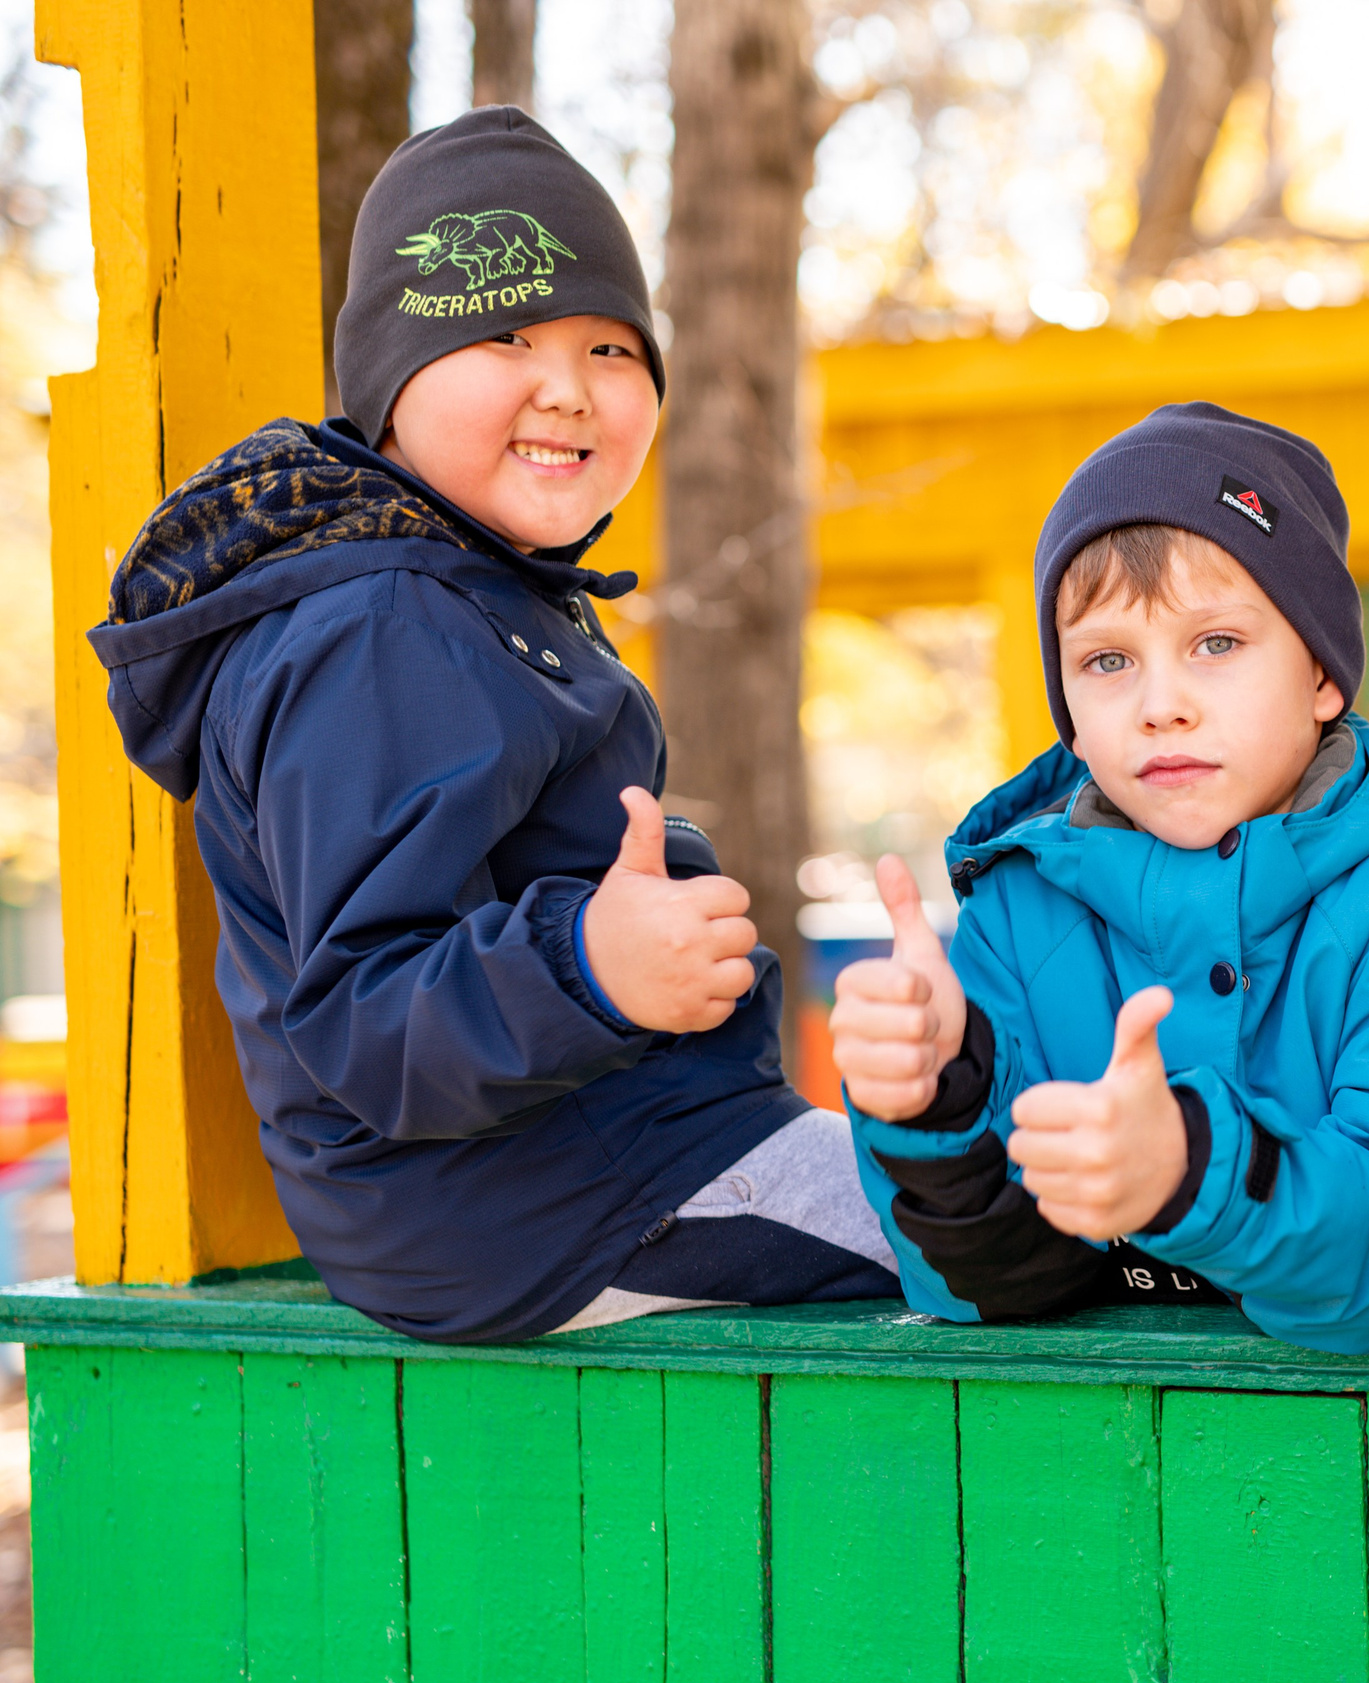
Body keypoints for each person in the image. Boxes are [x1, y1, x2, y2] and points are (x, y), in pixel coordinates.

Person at [86, 107, 900, 1343]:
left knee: (1023, 1191)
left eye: (611, 349)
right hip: (536, 1203)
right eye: (503, 335)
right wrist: (593, 966)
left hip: (594, 1161)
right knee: (1034, 1225)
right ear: (389, 387)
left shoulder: (476, 595)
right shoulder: (382, 625)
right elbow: (365, 1014)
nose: (566, 387)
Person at [833, 403, 1369, 1353]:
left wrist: (1191, 1170)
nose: (1161, 705)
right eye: (1107, 660)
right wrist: (937, 1098)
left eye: (1216, 644)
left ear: (1323, 675)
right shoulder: (1016, 912)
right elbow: (982, 1290)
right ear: (1068, 713)